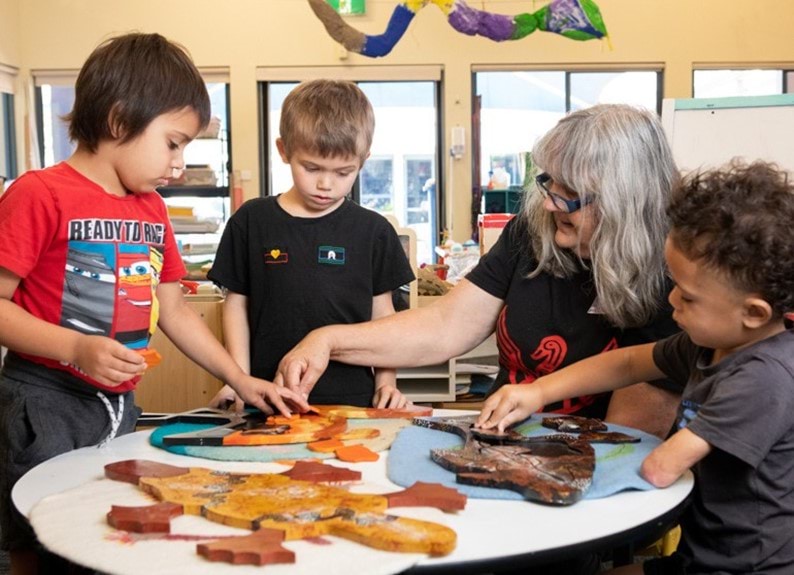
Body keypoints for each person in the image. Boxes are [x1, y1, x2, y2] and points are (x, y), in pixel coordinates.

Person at [0, 33, 309, 574]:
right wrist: (74, 346)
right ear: (120, 120)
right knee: (41, 535)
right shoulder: (39, 193)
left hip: (119, 404)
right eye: (173, 143)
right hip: (45, 400)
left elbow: (177, 311)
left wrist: (240, 379)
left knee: (103, 528)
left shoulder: (151, 211)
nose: (180, 163)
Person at [276, 104, 682, 439]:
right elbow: (445, 325)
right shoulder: (532, 232)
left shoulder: (675, 283)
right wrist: (327, 340)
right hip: (501, 440)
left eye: (571, 195)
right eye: (550, 184)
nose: (550, 204)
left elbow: (623, 444)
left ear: (625, 200)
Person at [479, 159, 794, 575]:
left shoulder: (762, 379)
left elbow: (660, 468)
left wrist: (541, 465)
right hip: (698, 556)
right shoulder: (712, 345)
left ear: (753, 312)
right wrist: (537, 392)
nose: (671, 302)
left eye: (688, 296)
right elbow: (628, 362)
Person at [208, 79, 415, 411]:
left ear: (364, 160)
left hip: (354, 401)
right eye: (312, 168)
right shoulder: (251, 221)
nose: (325, 184)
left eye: (344, 172)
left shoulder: (374, 230)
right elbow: (236, 306)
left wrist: (387, 383)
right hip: (265, 397)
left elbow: (384, 317)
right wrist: (237, 379)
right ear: (284, 150)